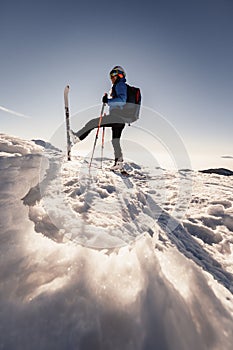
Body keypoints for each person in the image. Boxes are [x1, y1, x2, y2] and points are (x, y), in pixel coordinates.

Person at [70, 66, 127, 170]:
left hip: (117, 117)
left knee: (93, 123)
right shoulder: (119, 86)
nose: (111, 77)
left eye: (113, 74)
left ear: (120, 74)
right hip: (121, 120)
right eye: (110, 75)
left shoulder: (120, 85)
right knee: (115, 141)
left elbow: (122, 100)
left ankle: (77, 137)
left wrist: (108, 101)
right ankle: (119, 162)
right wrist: (108, 101)